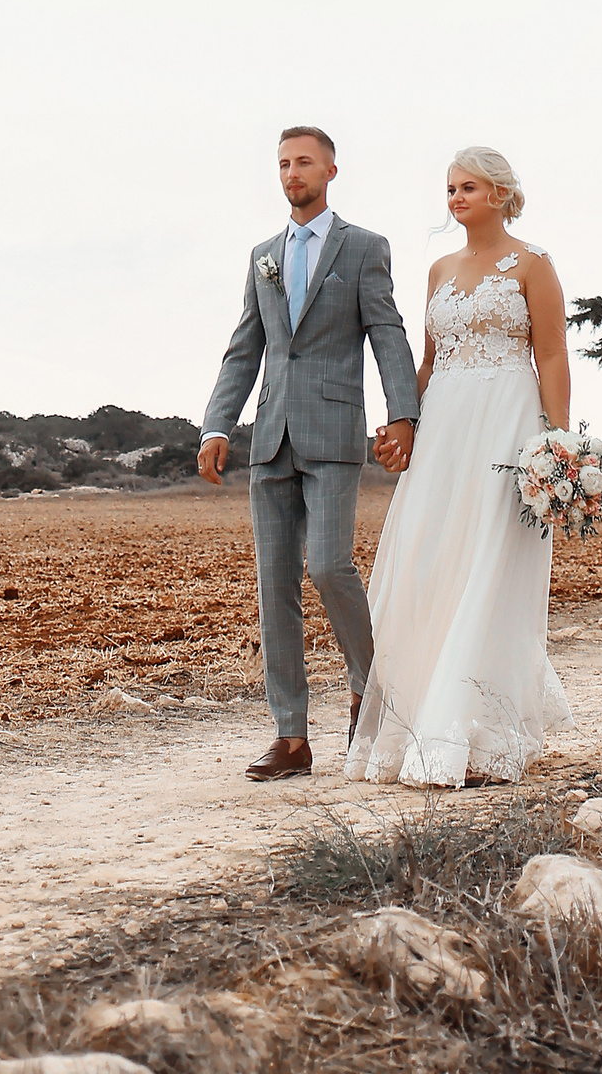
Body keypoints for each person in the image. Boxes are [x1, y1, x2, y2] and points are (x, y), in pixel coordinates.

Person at [343, 146, 572, 787]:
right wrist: (404, 423)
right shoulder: (439, 269)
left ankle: (480, 731)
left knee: (488, 562)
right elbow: (429, 361)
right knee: (430, 558)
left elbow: (553, 355)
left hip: (506, 423)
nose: (455, 198)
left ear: (500, 193)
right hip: (444, 427)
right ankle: (419, 720)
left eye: (468, 187)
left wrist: (558, 444)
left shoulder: (533, 264)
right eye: (450, 189)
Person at [198, 126, 422, 782]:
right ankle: (290, 736)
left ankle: (367, 693)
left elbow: (387, 332)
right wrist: (216, 427)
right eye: (283, 164)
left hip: (332, 433)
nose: (291, 173)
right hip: (271, 438)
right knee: (275, 586)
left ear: (329, 171)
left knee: (327, 566)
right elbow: (245, 347)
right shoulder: (262, 256)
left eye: (303, 162)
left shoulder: (364, 248)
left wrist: (403, 416)